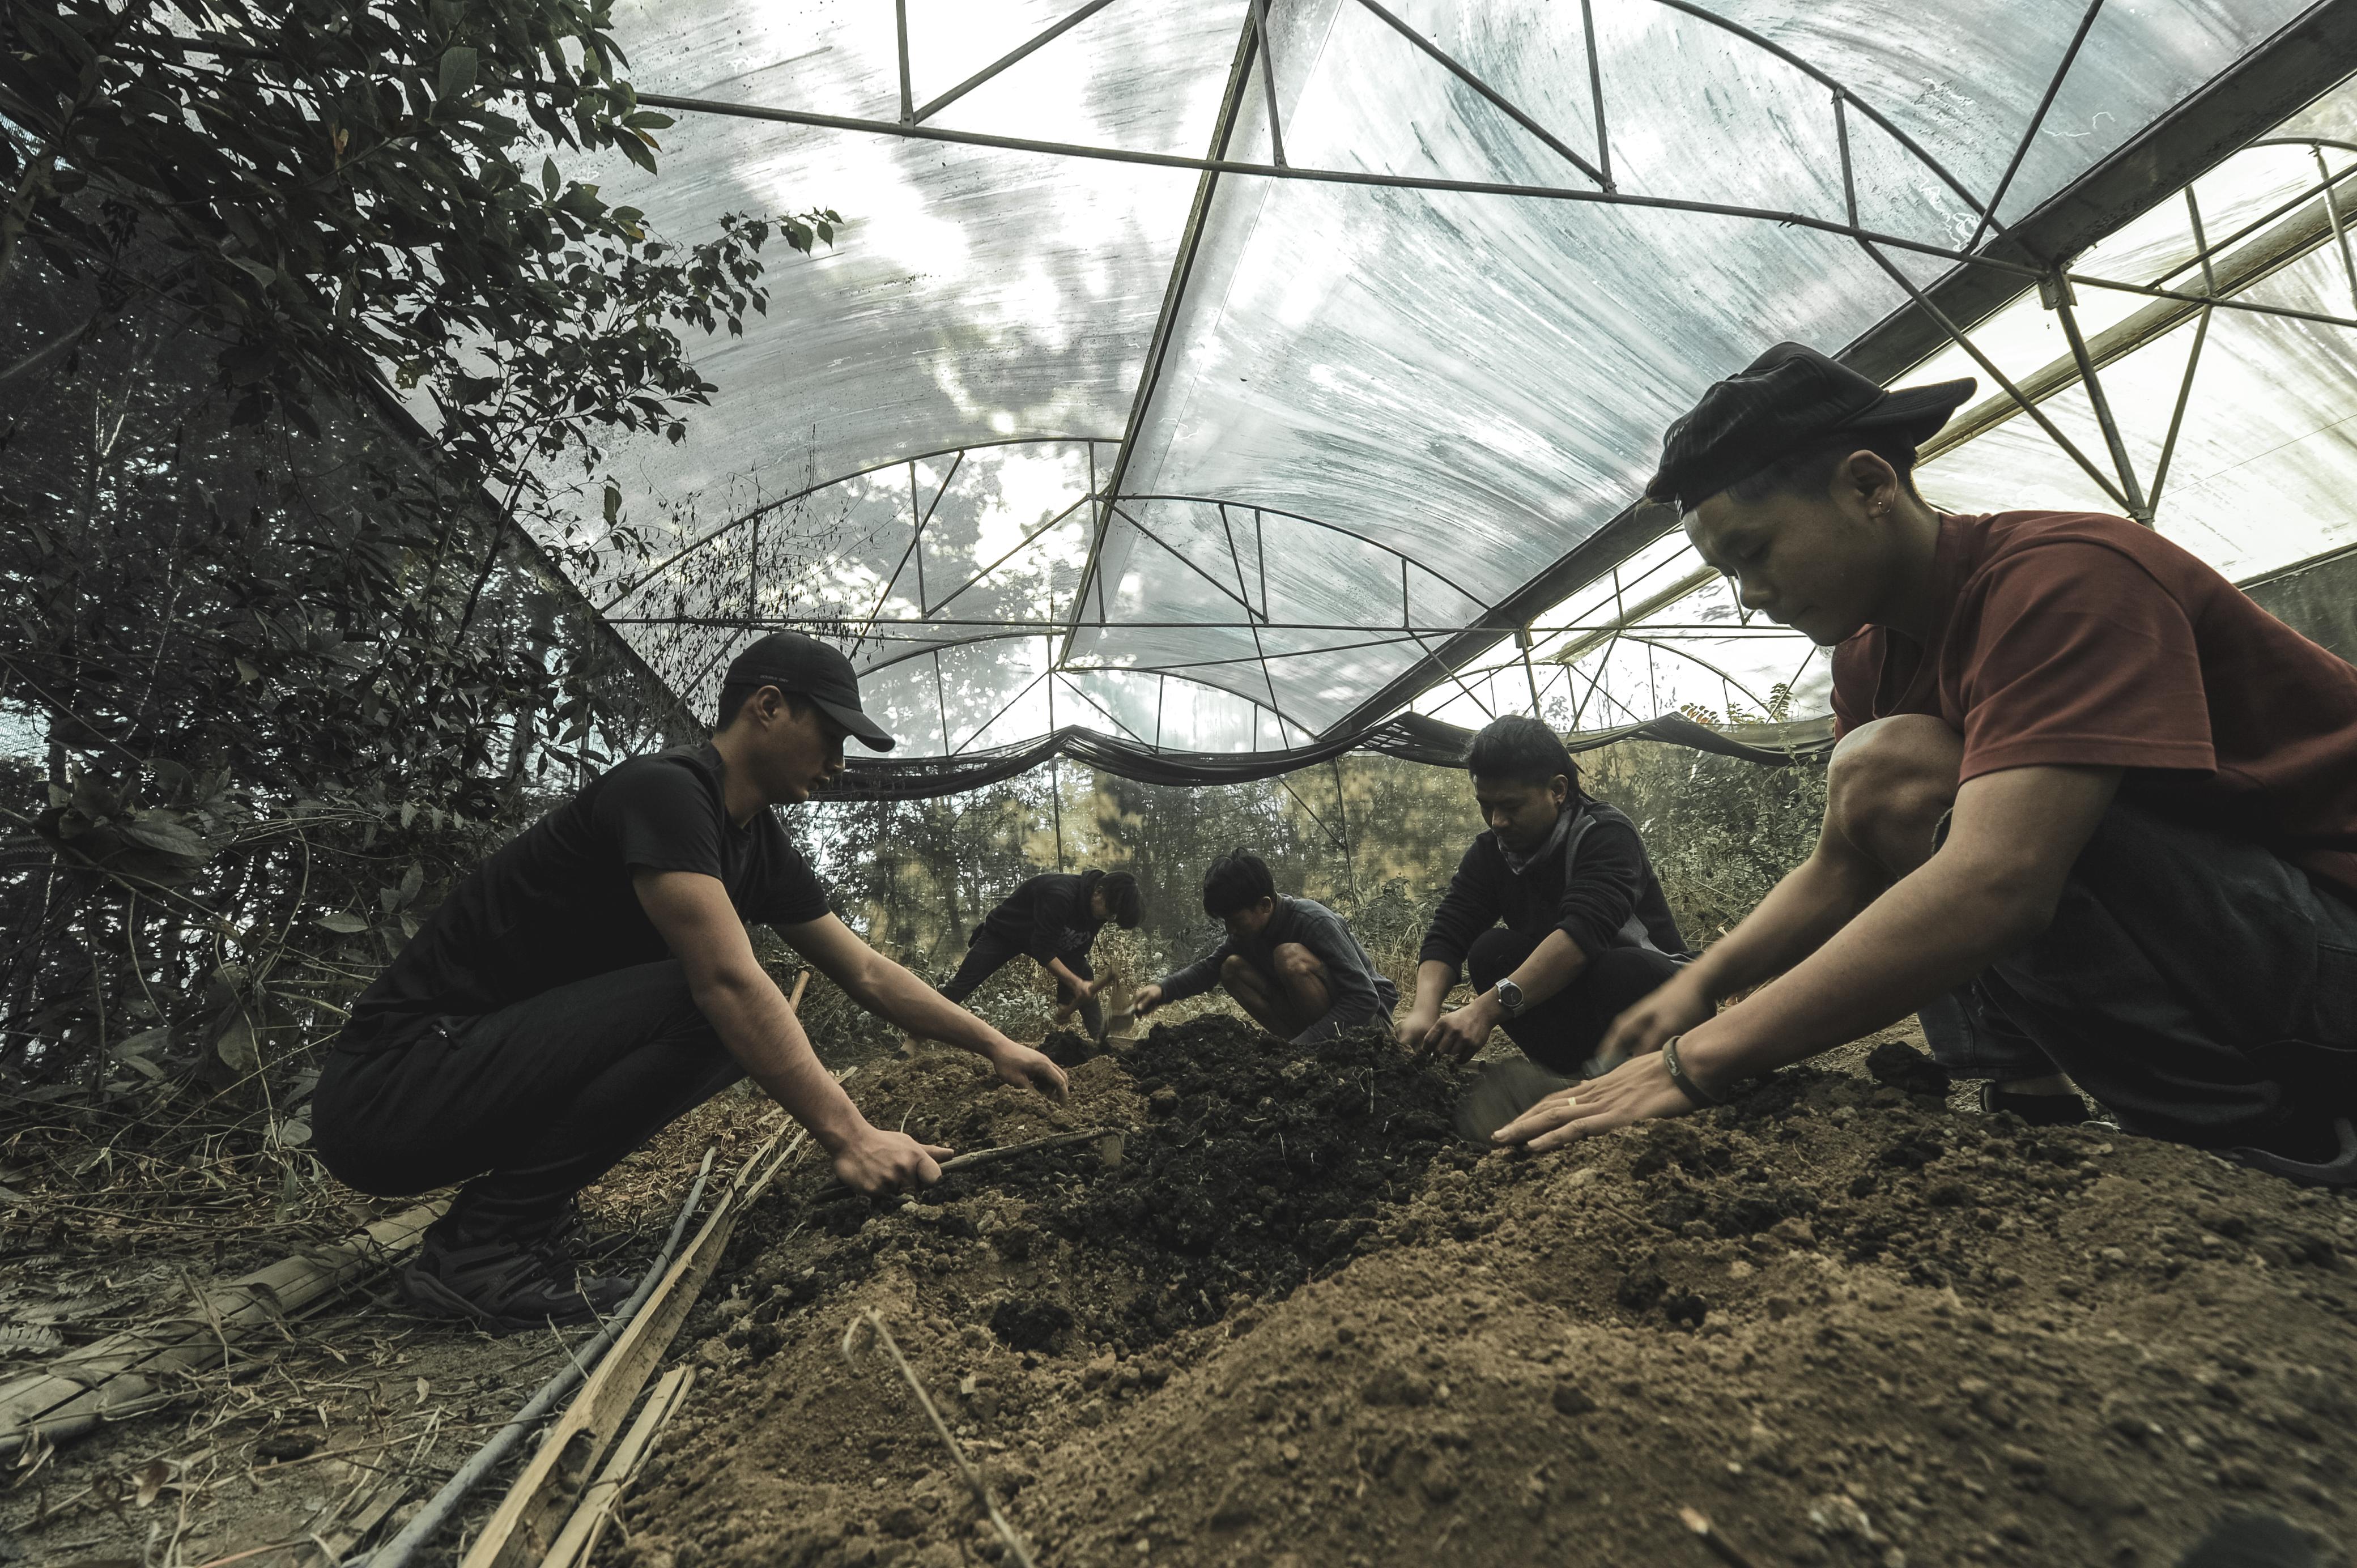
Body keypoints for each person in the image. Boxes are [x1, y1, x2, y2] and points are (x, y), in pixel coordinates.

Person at [1497, 342, 2357, 1184]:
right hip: (2258, 955)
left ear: (1870, 486)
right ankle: (2027, 1090)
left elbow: (1997, 883)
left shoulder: (2063, 580)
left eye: (1753, 553)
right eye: (1723, 572)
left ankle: (2267, 1141)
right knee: (1889, 779)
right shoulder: (1872, 657)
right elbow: (1849, 862)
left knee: (1896, 770)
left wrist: (1694, 1062)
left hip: (2329, 943)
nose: (1748, 598)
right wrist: (1704, 984)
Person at [313, 632, 1069, 1331]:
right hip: (393, 1089)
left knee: (732, 1003)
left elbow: (866, 971)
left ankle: (520, 1221)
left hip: (467, 1078)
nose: (839, 761)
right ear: (767, 707)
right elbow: (728, 986)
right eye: (831, 734)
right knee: (716, 1000)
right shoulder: (666, 792)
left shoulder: (754, 843)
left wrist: (996, 1043)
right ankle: (479, 1253)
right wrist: (851, 1136)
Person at [1395, 715, 1690, 1075]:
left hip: (1665, 999)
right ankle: (1570, 1075)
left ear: (1558, 790)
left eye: (1511, 807)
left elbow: (1582, 936)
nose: (1497, 821)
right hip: (1581, 1002)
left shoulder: (1605, 835)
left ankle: (1646, 1072)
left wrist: (1483, 1010)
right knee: (1490, 951)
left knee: (1621, 967)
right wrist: (1424, 1012)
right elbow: (1450, 930)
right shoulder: (1492, 852)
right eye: (1486, 805)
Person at [1132, 849, 1398, 1044]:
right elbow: (1210, 969)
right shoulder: (1247, 934)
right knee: (1231, 968)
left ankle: (1308, 1047)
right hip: (1320, 1029)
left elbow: (1364, 999)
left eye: (1235, 921)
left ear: (1265, 905)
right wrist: (1162, 990)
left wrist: (1309, 1042)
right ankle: (1299, 1045)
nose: (1230, 930)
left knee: (1288, 957)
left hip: (1369, 1028)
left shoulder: (1313, 921)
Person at [937, 868, 1144, 1039]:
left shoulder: (1098, 911)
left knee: (1085, 973)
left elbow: (1074, 953)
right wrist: (1076, 984)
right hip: (1006, 933)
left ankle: (1102, 1042)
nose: (1108, 919)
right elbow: (1043, 949)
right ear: (1099, 892)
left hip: (1044, 940)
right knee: (963, 984)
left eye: (1113, 917)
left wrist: (1065, 1001)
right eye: (1109, 912)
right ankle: (914, 1038)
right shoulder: (1059, 895)